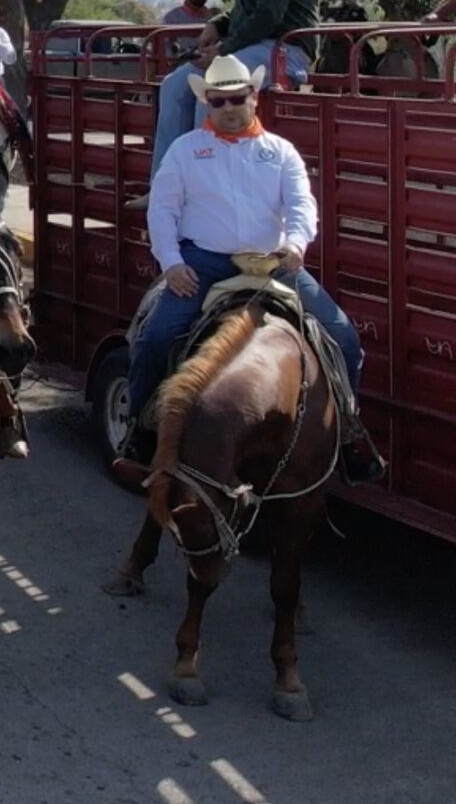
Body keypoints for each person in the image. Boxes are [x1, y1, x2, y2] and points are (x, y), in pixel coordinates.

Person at [115, 54, 381, 486]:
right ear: (207, 103)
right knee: (156, 337)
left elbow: (302, 205)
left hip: (271, 262)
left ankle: (347, 433)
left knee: (345, 339)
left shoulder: (281, 152)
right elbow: (162, 211)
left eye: (237, 98)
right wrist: (172, 263)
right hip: (203, 262)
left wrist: (295, 244)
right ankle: (141, 437)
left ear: (254, 97)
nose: (228, 108)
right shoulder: (185, 152)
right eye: (217, 101)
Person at [154, 0, 320, 171]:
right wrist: (217, 24)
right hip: (257, 46)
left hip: (284, 50)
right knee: (174, 85)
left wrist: (223, 49)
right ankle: (165, 178)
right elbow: (250, 12)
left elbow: (268, 16)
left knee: (213, 84)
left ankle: (203, 177)